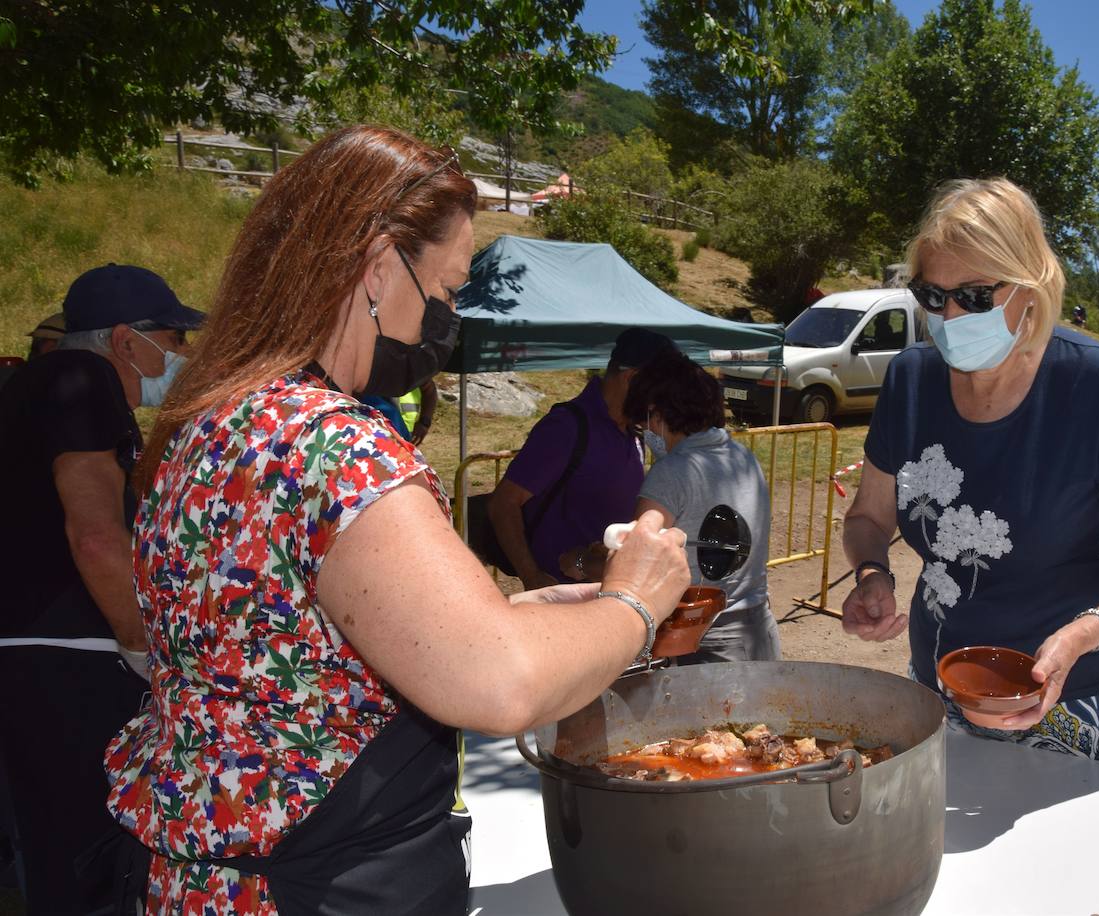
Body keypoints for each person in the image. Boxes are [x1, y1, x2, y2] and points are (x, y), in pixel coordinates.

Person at [101, 126, 690, 913]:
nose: (443, 322)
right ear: (379, 266)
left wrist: (511, 613)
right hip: (319, 884)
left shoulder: (205, 425)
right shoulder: (335, 444)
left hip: (201, 878)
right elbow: (502, 683)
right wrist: (636, 601)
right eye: (444, 291)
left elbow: (288, 644)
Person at [841, 178, 1099, 772]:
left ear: (1030, 286)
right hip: (942, 687)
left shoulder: (1096, 384)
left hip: (1086, 695)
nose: (951, 316)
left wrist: (1085, 633)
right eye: (933, 295)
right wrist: (873, 574)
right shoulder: (911, 380)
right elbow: (868, 517)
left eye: (976, 296)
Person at [0, 264, 200, 913]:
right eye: (173, 338)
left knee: (53, 866)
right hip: (66, 659)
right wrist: (150, 651)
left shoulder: (32, 387)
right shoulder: (79, 380)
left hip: (34, 657)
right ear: (125, 340)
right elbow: (94, 537)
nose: (181, 355)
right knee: (89, 874)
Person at [620, 350, 780, 664]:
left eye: (646, 422)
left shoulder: (672, 472)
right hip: (757, 631)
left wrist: (585, 562)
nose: (647, 431)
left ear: (657, 414)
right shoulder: (743, 457)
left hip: (701, 642)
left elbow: (637, 558)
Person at [489, 327, 677, 589]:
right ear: (632, 378)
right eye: (661, 391)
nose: (663, 401)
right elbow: (503, 503)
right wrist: (531, 575)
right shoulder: (566, 427)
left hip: (612, 593)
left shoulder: (633, 434)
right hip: (562, 600)